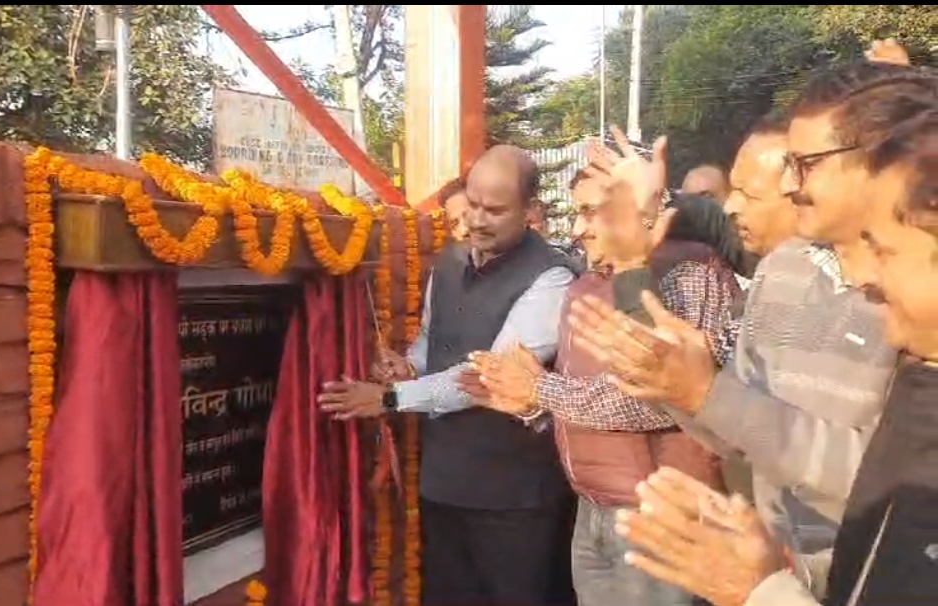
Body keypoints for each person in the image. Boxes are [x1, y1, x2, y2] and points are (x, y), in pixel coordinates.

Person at [614, 66, 938, 606]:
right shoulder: (784, 268)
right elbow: (741, 431)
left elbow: (882, 479)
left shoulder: (916, 315)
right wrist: (684, 390)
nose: (791, 186)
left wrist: (710, 394)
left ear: (883, 155)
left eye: (805, 164)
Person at [464, 131, 738, 606]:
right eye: (577, 212)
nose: (578, 229)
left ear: (643, 208)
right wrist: (528, 404)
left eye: (593, 212)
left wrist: (542, 391)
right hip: (593, 506)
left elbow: (662, 401)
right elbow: (582, 398)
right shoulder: (587, 284)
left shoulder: (690, 272)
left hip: (660, 513)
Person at [317, 144, 577, 605]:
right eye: (472, 204)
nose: (477, 219)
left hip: (514, 496)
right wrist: (406, 367)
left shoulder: (552, 278)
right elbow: (430, 340)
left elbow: (488, 376)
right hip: (444, 483)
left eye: (495, 210)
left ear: (531, 211)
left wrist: (391, 399)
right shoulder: (450, 262)